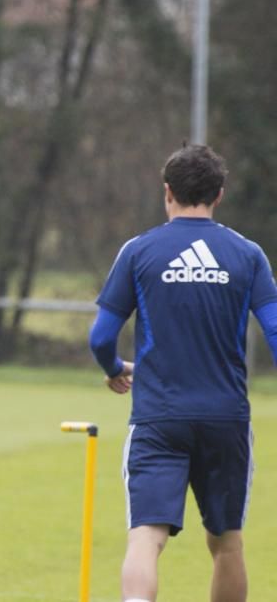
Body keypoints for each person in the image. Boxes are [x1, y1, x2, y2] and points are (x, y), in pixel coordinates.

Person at [89, 144, 277, 602]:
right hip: (227, 419)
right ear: (220, 194)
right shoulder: (248, 255)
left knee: (146, 537)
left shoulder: (139, 251)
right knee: (227, 543)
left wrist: (115, 369)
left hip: (158, 419)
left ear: (167, 192)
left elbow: (100, 337)